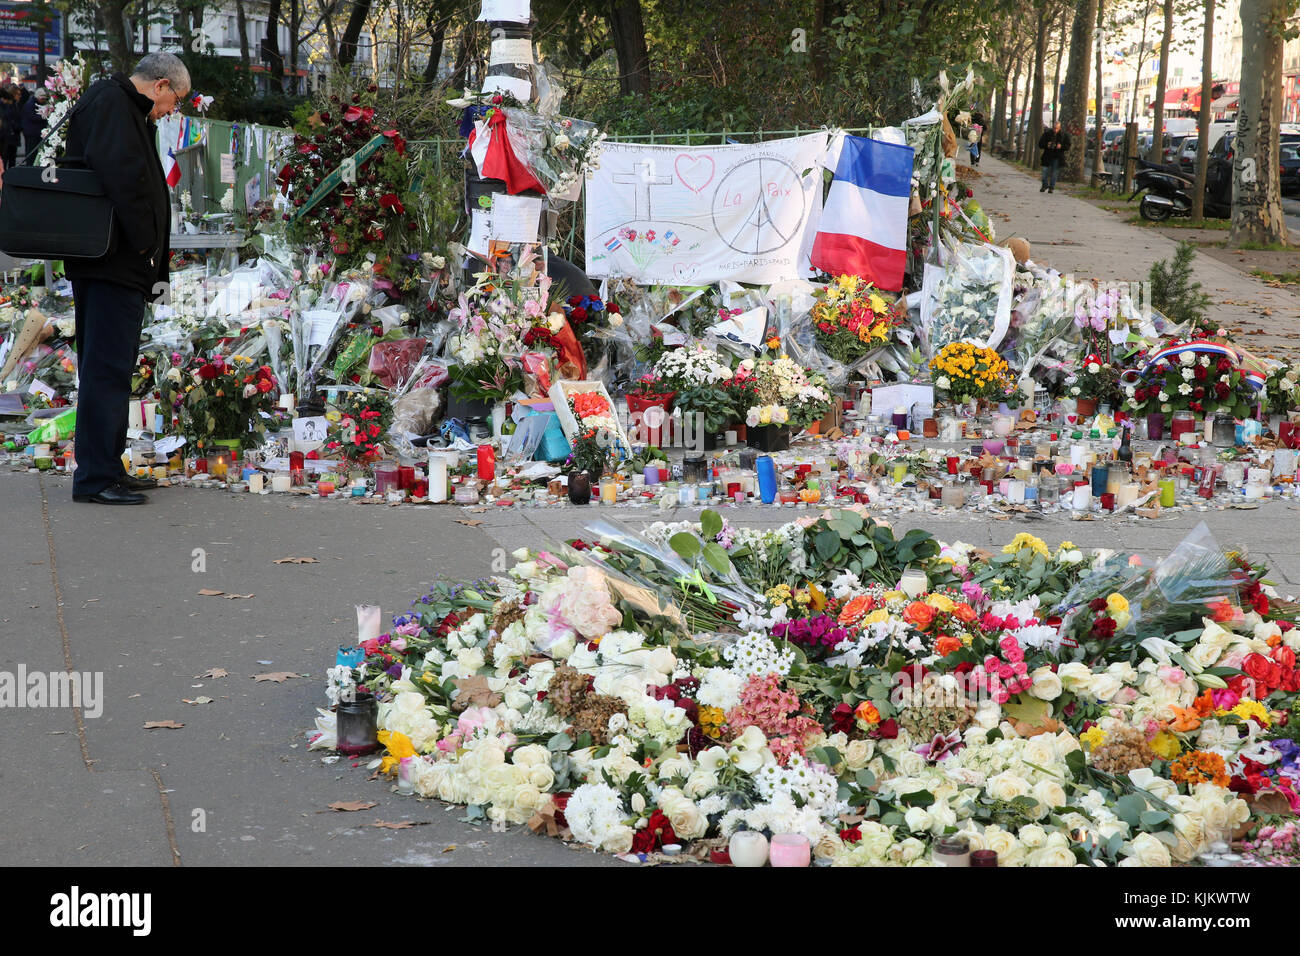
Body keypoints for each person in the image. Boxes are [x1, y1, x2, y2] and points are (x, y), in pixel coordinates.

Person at [63, 52, 188, 505]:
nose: (173, 109)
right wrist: (143, 247)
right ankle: (96, 478)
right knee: (105, 370)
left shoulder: (120, 106)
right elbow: (126, 183)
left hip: (117, 263)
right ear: (160, 85)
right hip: (112, 263)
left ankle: (108, 468)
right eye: (176, 99)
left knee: (112, 370)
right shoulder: (114, 104)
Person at [1038, 121, 1070, 193]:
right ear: (1052, 127)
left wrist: (1061, 146)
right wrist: (1047, 145)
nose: (1055, 130)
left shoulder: (1063, 135)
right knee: (1044, 171)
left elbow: (1068, 146)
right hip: (1047, 155)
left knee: (1054, 172)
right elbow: (1040, 144)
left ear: (1060, 128)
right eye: (1054, 128)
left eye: (1057, 128)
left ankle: (1051, 187)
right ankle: (1045, 185)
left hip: (1057, 156)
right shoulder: (1047, 134)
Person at [20, 86, 47, 160]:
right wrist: (44, 116)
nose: (44, 100)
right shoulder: (30, 104)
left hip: (35, 132)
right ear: (38, 97)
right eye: (42, 99)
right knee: (31, 151)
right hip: (31, 132)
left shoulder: (35, 103)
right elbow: (32, 117)